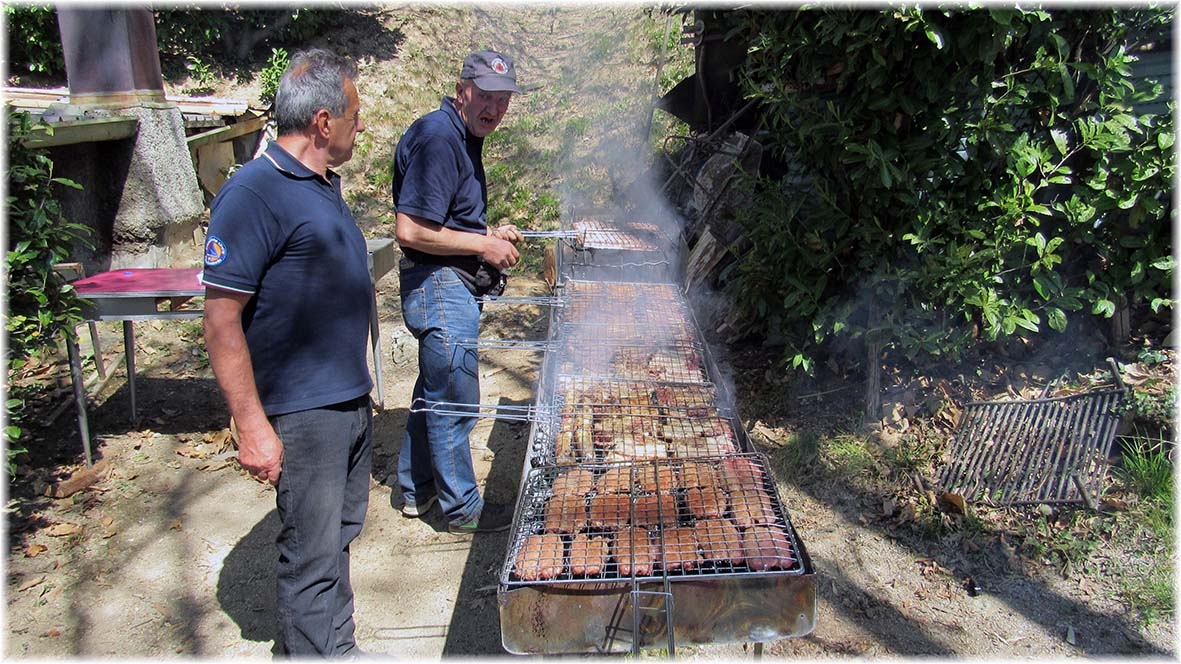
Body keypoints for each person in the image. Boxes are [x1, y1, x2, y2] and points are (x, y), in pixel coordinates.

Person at [201, 49, 374, 657]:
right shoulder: (254, 192)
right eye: (354, 116)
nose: (360, 127)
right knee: (310, 555)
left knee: (337, 539)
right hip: (305, 412)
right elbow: (220, 320)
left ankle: (338, 647)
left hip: (347, 399)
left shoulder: (320, 184)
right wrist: (252, 426)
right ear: (324, 122)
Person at [391, 50, 525, 534]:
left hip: (447, 280)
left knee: (436, 388)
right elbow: (411, 229)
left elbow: (446, 216)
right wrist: (484, 246)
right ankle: (462, 509)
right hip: (438, 283)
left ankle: (416, 488)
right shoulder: (438, 138)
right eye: (486, 96)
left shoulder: (462, 136)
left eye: (503, 100)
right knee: (455, 400)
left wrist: (488, 232)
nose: (494, 108)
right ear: (462, 89)